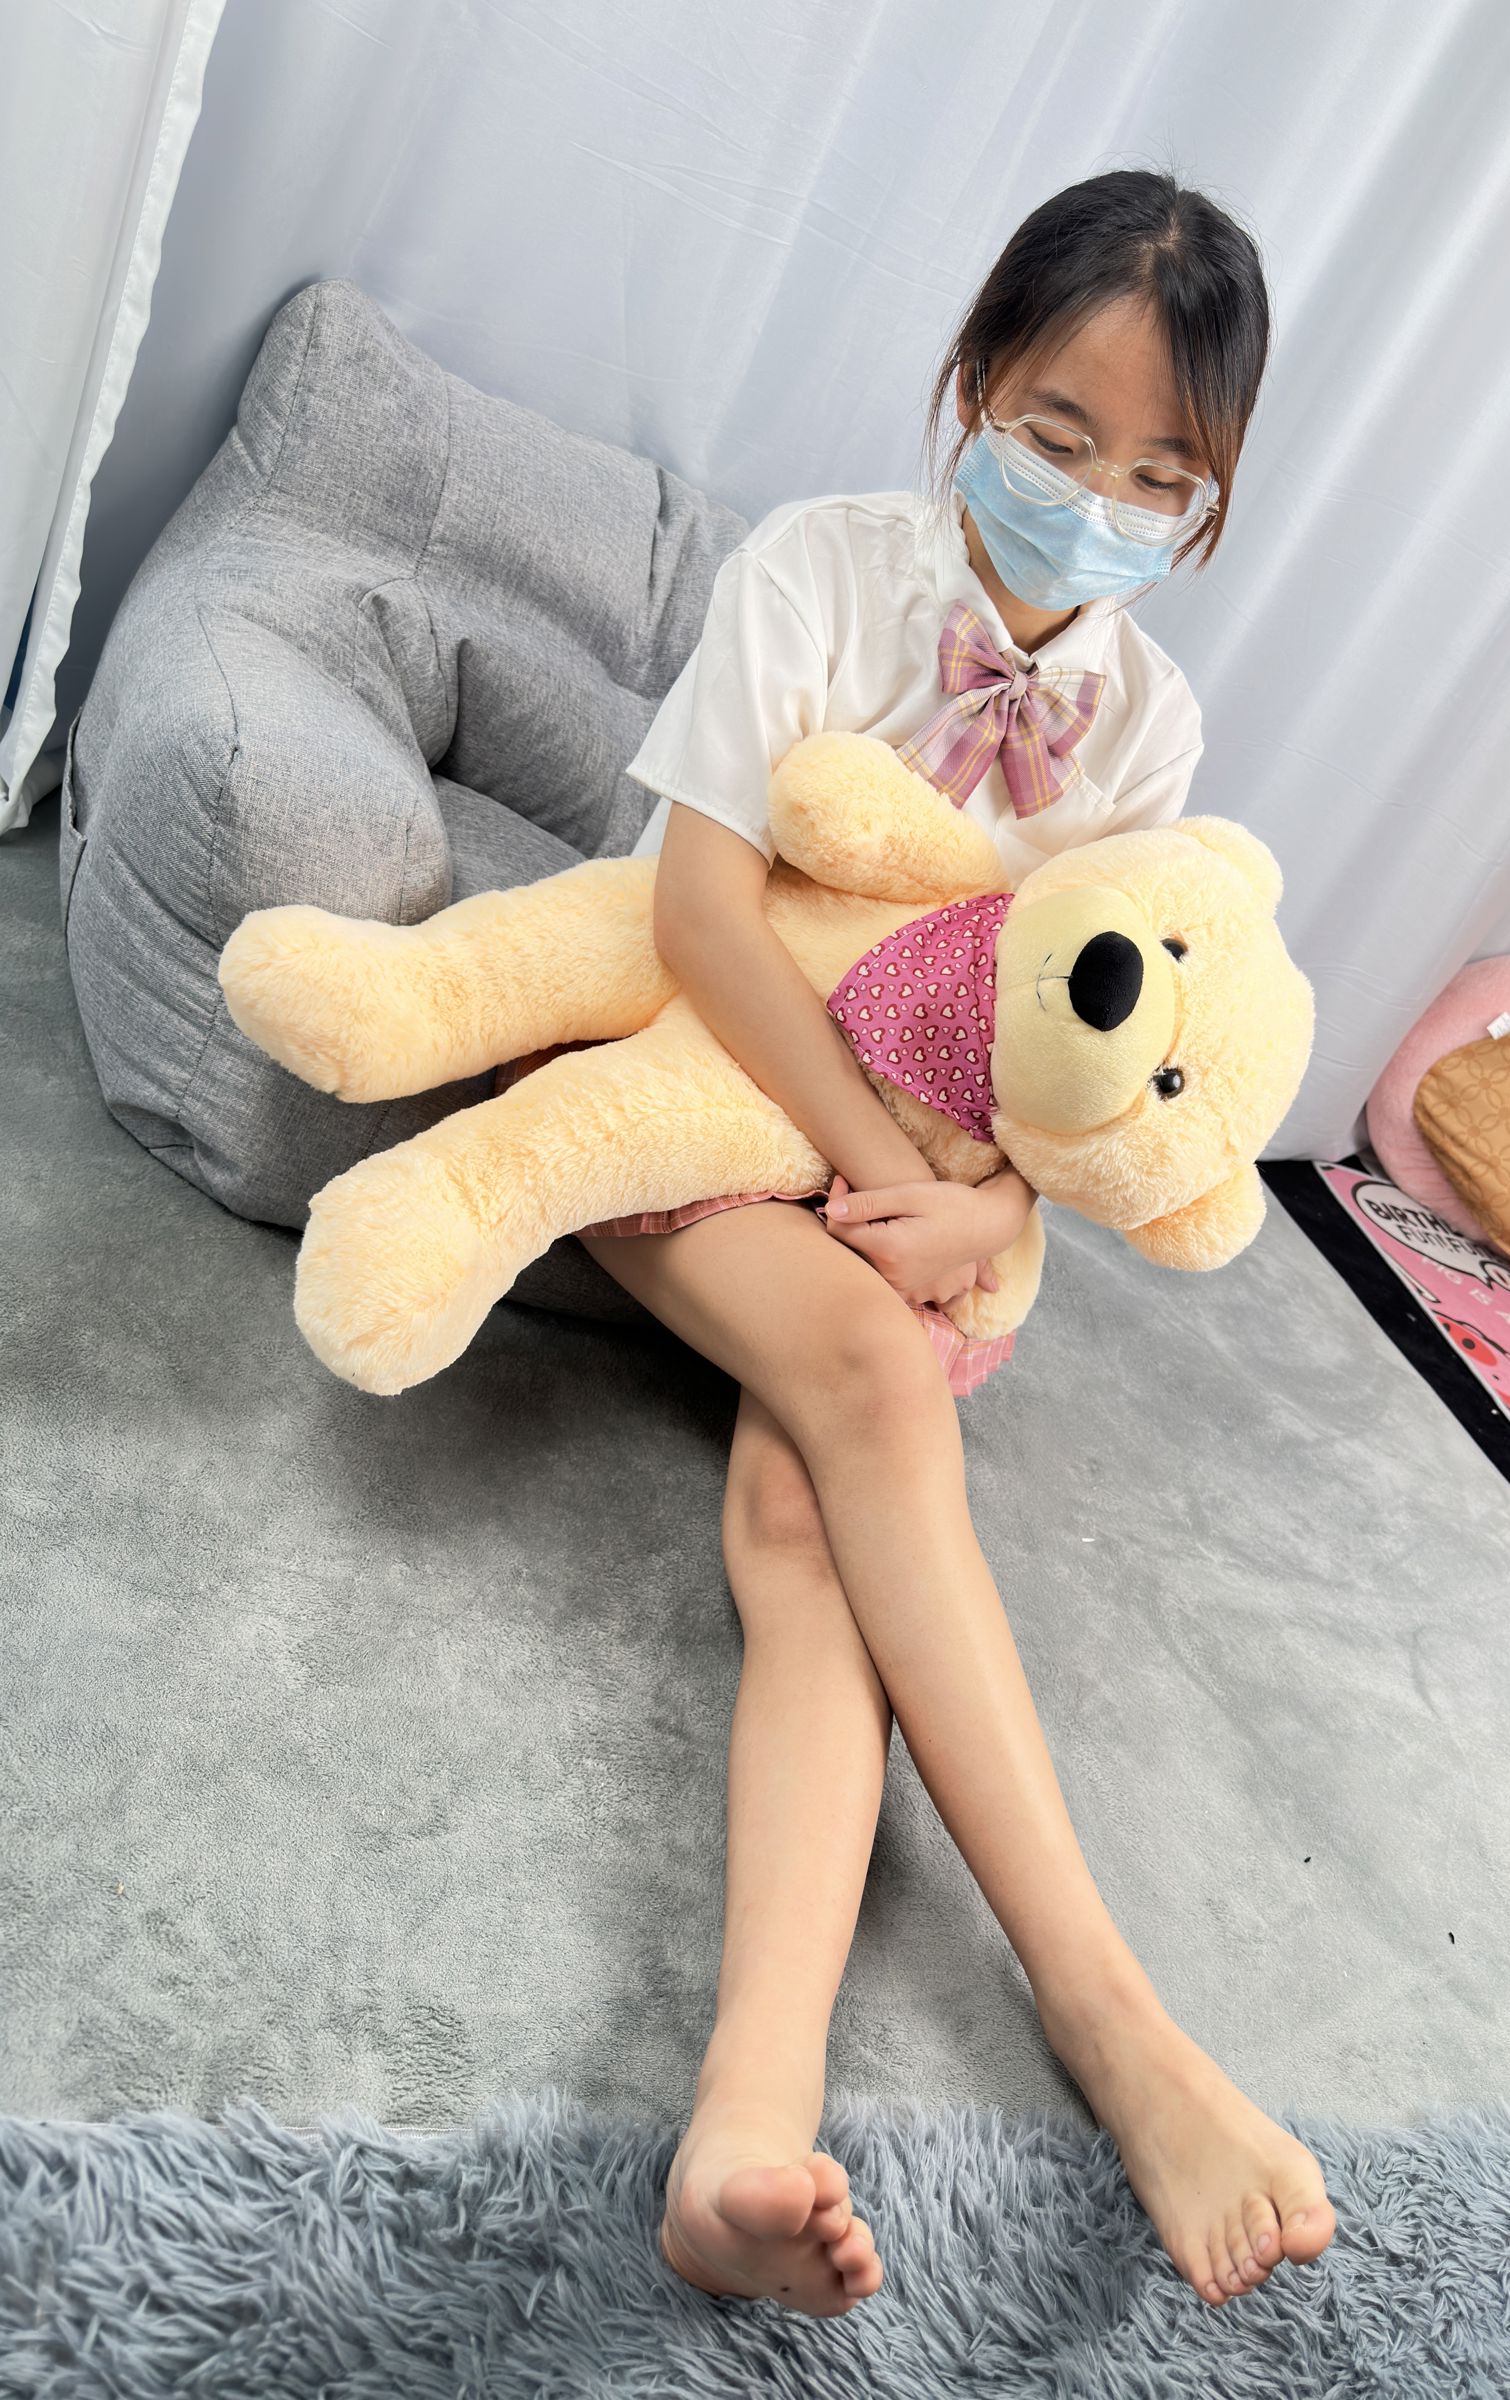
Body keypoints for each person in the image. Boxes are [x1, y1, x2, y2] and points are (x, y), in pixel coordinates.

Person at [496, 167, 1336, 2319]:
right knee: (876, 1385)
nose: (1099, 501)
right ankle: (1111, 2014)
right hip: (702, 1078)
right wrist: (879, 1168)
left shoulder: (1151, 725)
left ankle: (742, 2127)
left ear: (1209, 503)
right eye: (1059, 435)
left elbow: (1113, 1052)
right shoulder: (821, 571)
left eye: (1160, 478)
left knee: (809, 1528)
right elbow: (699, 916)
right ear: (972, 385)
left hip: (934, 1172)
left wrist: (988, 1202)